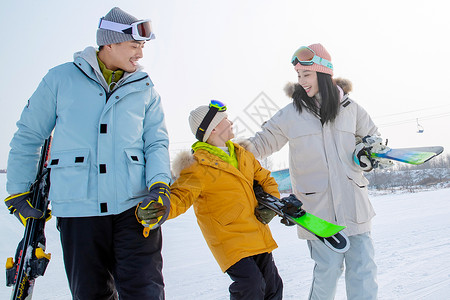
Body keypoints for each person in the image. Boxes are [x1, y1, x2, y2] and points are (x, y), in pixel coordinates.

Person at [4, 7, 171, 300]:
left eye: (142, 47)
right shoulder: (60, 80)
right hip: (79, 215)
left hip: (134, 211)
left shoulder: (146, 90)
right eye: (134, 46)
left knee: (146, 293)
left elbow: (156, 143)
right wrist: (18, 191)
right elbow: (29, 135)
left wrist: (159, 186)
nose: (140, 55)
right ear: (110, 43)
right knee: (91, 295)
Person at [241, 43, 384, 299]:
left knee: (362, 270)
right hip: (317, 211)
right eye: (298, 76)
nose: (301, 81)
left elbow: (373, 140)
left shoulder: (351, 109)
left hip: (354, 205)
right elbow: (261, 143)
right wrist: (229, 152)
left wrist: (366, 154)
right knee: (327, 271)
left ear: (323, 73)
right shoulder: (291, 114)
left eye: (306, 75)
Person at [165, 100, 283, 299]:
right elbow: (180, 196)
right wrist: (160, 208)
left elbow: (265, 179)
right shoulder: (197, 166)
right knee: (250, 285)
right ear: (212, 130)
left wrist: (272, 201)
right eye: (225, 120)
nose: (230, 122)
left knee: (273, 285)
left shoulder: (242, 154)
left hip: (255, 230)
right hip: (228, 238)